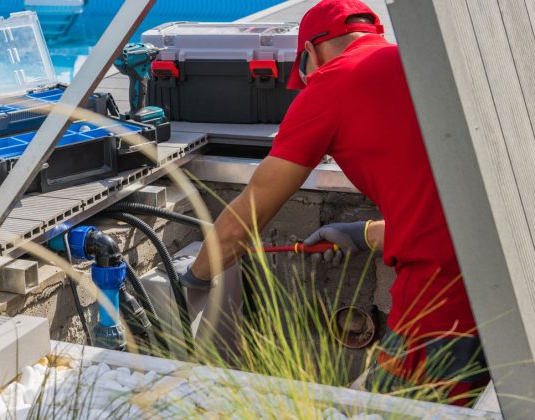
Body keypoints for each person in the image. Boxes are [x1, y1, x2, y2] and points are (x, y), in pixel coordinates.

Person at [179, 0, 490, 405]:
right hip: (502, 268)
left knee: (392, 409)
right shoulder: (418, 62)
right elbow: (436, 200)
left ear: (310, 53)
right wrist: (359, 234)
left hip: (441, 296)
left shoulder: (331, 82)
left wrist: (196, 278)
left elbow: (246, 218)